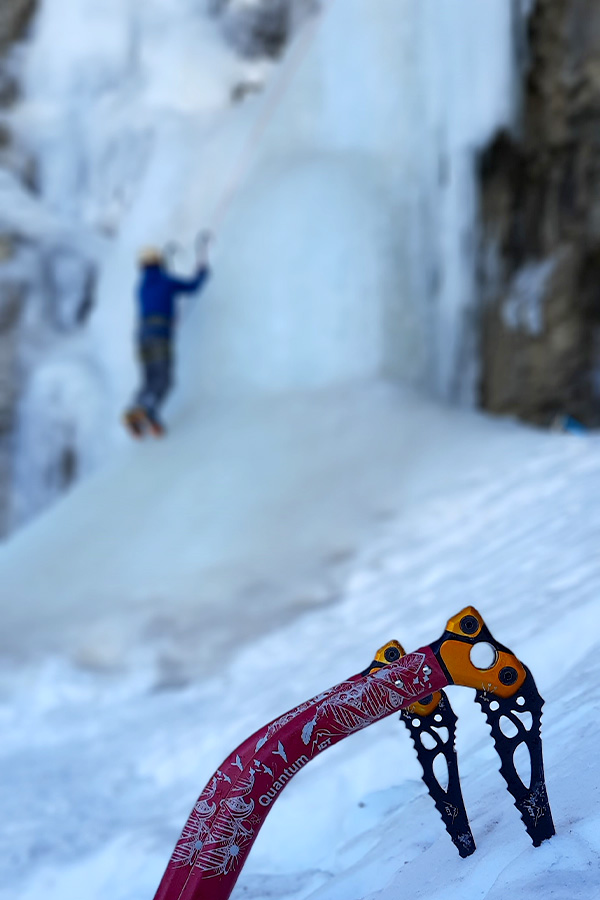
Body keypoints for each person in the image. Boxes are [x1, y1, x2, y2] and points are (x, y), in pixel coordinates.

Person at [123, 236, 211, 437]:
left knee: (148, 381)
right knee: (164, 380)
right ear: (159, 262)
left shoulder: (142, 286)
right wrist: (202, 270)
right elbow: (192, 287)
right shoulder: (165, 280)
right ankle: (148, 411)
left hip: (142, 337)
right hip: (160, 335)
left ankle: (134, 410)